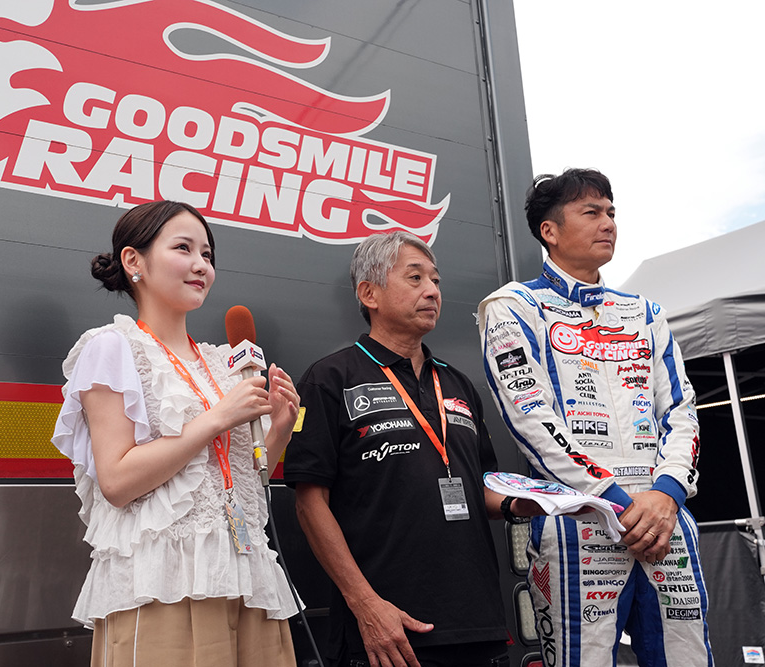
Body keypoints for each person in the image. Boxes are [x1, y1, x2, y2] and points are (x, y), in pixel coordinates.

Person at [478, 168, 712, 667]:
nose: (608, 223)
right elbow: (531, 417)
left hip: (664, 519)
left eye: (611, 212)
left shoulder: (645, 313)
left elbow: (681, 409)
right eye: (591, 212)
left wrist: (667, 494)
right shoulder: (514, 306)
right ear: (549, 230)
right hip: (579, 523)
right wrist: (616, 503)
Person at [51, 200, 301, 667]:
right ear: (134, 260)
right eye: (183, 248)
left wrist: (281, 430)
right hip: (164, 583)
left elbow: (242, 481)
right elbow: (117, 481)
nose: (201, 265)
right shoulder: (113, 347)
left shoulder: (221, 363)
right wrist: (215, 419)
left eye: (207, 254)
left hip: (245, 574)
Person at [283, 230, 542, 667]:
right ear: (369, 294)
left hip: (477, 624)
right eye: (415, 277)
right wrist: (366, 605)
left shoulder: (458, 383)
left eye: (436, 281)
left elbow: (482, 486)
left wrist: (520, 504)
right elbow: (310, 505)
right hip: (389, 633)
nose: (432, 291)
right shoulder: (330, 378)